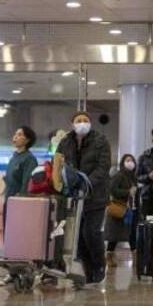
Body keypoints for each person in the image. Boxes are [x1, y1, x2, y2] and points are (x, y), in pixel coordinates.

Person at [56, 111, 112, 285]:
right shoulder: (65, 142)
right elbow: (59, 163)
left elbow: (103, 167)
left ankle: (99, 266)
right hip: (74, 196)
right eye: (78, 120)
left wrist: (86, 183)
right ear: (72, 123)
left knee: (91, 233)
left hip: (95, 196)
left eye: (86, 120)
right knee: (77, 236)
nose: (82, 123)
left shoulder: (101, 141)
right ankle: (85, 271)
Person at [0, 126, 38, 286]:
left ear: (27, 140)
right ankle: (11, 273)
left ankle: (22, 273)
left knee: (19, 240)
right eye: (15, 134)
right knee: (9, 239)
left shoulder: (29, 159)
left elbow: (26, 184)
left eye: (20, 134)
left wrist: (20, 203)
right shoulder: (14, 157)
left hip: (20, 205)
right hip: (9, 202)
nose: (15, 136)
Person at [105, 154, 138, 267]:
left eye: (132, 160)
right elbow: (112, 189)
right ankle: (109, 255)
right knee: (114, 234)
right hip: (119, 207)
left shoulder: (134, 177)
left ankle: (135, 255)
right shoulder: (119, 175)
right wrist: (127, 192)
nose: (130, 162)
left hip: (131, 209)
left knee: (131, 232)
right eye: (127, 160)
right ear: (123, 162)